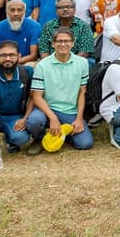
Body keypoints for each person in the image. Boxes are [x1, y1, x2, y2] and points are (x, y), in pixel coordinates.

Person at [26, 27, 93, 155]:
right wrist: (53, 118)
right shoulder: (42, 65)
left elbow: (82, 92)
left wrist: (79, 118)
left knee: (85, 144)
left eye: (67, 41)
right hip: (47, 109)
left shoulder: (82, 63)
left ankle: (63, 133)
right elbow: (37, 97)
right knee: (34, 121)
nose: (63, 44)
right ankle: (39, 139)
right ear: (53, 43)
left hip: (70, 111)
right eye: (59, 41)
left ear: (73, 43)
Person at [0, 0, 41, 66]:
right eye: (12, 10)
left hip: (25, 62)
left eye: (19, 10)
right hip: (4, 62)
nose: (16, 13)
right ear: (7, 11)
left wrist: (14, 61)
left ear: (24, 12)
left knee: (29, 66)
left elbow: (33, 55)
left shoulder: (35, 26)